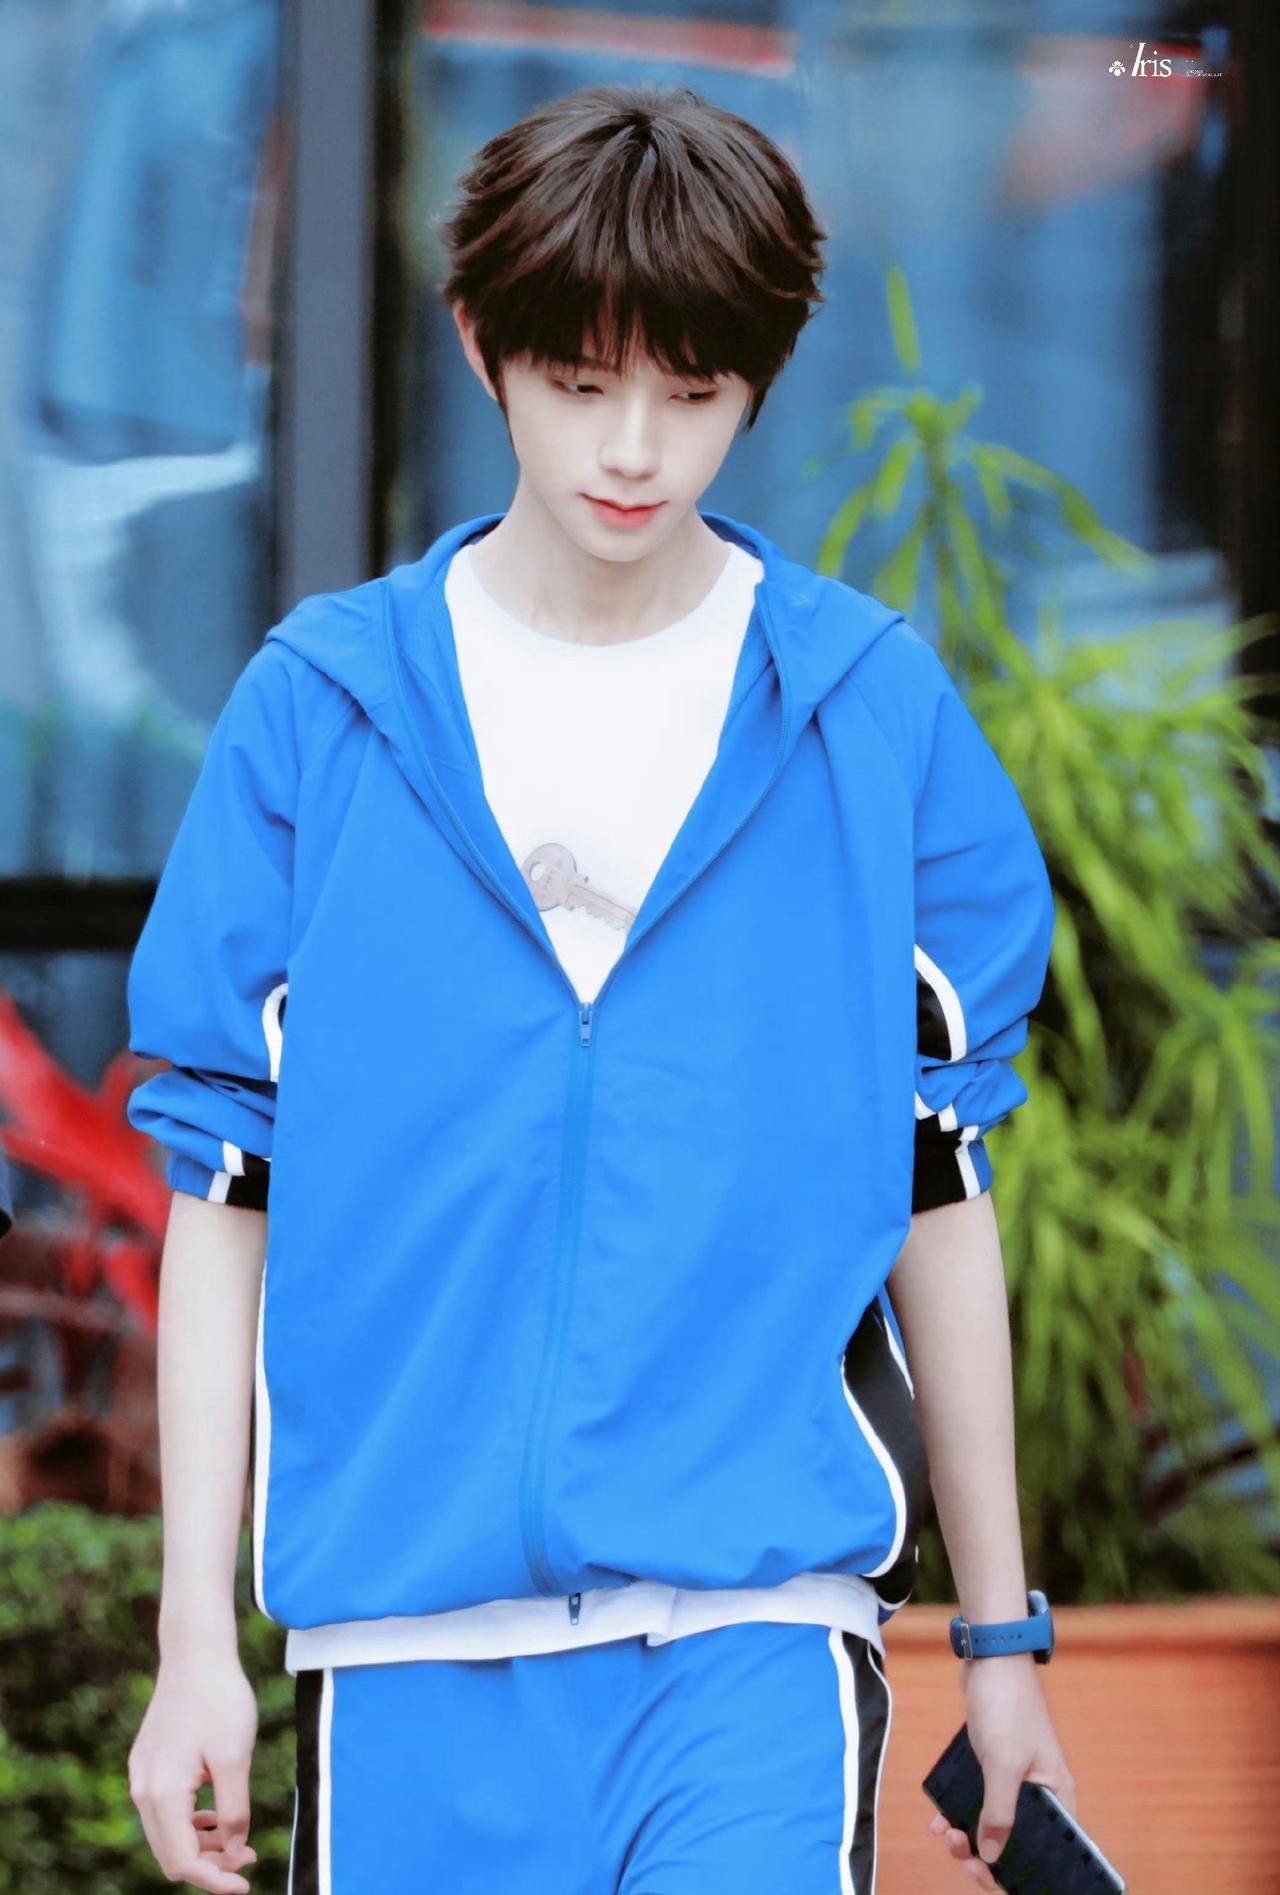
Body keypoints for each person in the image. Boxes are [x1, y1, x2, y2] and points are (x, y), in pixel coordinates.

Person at [123, 81, 1076, 1894]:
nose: (634, 449)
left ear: (756, 383)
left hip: (756, 1638)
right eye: (581, 384)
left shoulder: (864, 711)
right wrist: (194, 1654)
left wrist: (1002, 1640)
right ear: (482, 344)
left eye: (693, 394)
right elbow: (224, 1191)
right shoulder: (321, 713)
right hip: (403, 1653)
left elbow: (939, 1186)